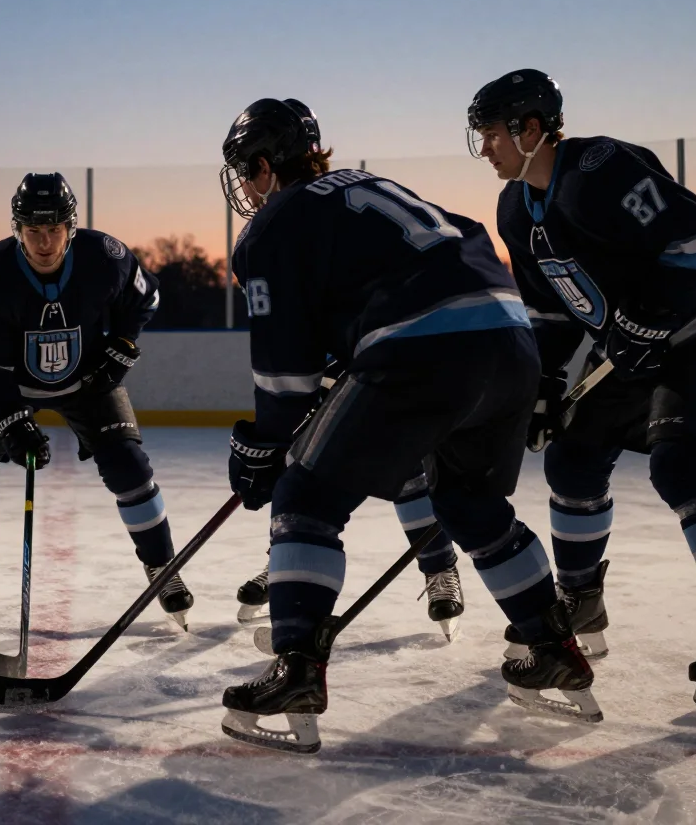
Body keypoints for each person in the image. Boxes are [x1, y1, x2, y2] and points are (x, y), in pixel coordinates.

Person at [218, 97, 594, 755]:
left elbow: (285, 383)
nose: (245, 191)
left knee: (303, 496)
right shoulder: (369, 186)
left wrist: (259, 445)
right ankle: (552, 645)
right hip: (509, 339)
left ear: (263, 165)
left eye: (245, 174)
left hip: (422, 345)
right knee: (470, 502)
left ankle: (297, 670)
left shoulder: (275, 223)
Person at [469, 68, 696, 709]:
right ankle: (581, 602)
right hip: (632, 348)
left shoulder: (600, 168)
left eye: (492, 134)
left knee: (685, 466)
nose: (486, 149)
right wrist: (542, 386)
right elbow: (552, 311)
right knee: (572, 458)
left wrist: (649, 312)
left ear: (531, 128)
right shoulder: (515, 208)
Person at [0, 173, 195, 628]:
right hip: (9, 385)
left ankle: (162, 568)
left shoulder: (105, 258)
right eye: (33, 230)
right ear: (17, 228)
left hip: (89, 379)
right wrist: (12, 418)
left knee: (130, 468)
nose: (45, 242)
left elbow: (146, 298)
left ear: (71, 227)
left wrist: (125, 344)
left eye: (54, 229)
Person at [233, 357, 466, 642]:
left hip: (400, 369)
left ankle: (439, 568)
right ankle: (286, 564)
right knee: (300, 473)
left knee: (406, 465)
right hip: (340, 375)